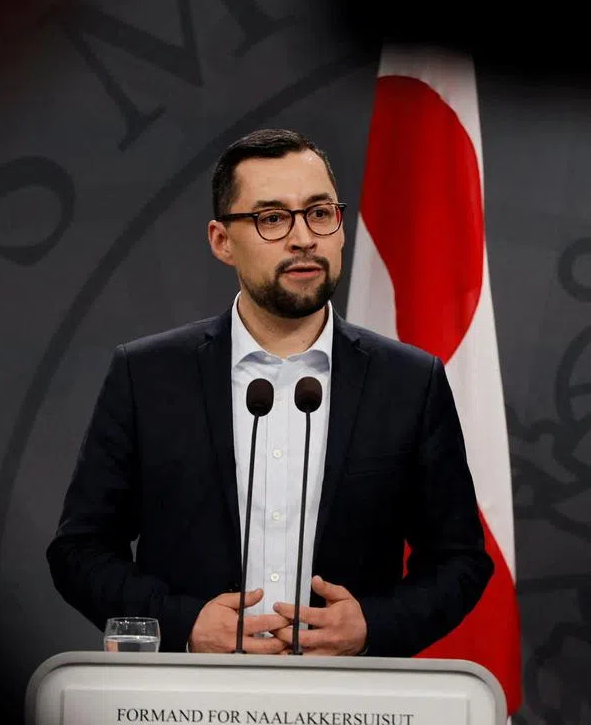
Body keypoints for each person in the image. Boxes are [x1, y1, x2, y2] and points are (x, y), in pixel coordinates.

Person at [46, 128, 492, 656]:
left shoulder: (409, 382)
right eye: (272, 218)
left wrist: (373, 624)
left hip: (350, 702)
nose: (303, 238)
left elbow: (460, 560)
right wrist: (184, 623)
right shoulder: (146, 375)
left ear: (341, 228)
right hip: (186, 699)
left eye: (320, 213)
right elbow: (80, 550)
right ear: (221, 241)